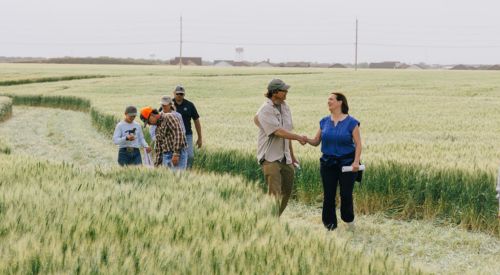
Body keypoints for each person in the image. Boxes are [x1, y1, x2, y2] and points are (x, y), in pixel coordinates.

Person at [307, 92, 362, 231]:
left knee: (346, 194)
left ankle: (349, 220)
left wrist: (356, 162)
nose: (328, 102)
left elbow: (358, 144)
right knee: (329, 195)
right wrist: (304, 139)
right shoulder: (324, 121)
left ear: (340, 102)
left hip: (347, 163)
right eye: (328, 100)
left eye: (331, 99)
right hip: (327, 163)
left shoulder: (352, 122)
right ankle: (330, 226)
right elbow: (315, 141)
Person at [255, 79, 308, 216]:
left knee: (287, 191)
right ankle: (270, 222)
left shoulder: (285, 107)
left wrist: (293, 157)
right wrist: (298, 137)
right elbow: (278, 131)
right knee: (275, 193)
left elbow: (287, 133)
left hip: (286, 158)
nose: (286, 92)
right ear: (274, 92)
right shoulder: (265, 109)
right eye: (284, 90)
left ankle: (273, 217)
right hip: (270, 158)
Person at [140, 106, 187, 171]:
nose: (149, 124)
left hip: (178, 153)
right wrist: (156, 166)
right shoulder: (157, 129)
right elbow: (159, 148)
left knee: (177, 177)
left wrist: (176, 153)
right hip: (166, 155)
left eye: (148, 121)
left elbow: (178, 133)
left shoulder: (168, 117)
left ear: (152, 115)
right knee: (168, 178)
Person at [173, 85, 202, 168]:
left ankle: (187, 173)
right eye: (177, 93)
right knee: (174, 156)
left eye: (181, 94)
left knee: (190, 156)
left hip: (187, 135)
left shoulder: (189, 105)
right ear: (174, 93)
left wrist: (200, 137)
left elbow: (196, 120)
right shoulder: (169, 104)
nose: (179, 95)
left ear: (184, 94)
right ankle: (174, 173)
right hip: (173, 135)